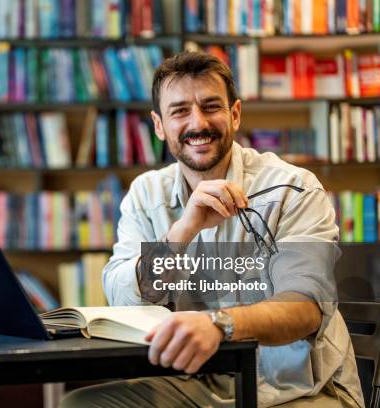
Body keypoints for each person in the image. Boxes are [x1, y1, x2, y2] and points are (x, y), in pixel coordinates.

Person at [60, 51, 364, 407]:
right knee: (82, 405)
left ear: (234, 114)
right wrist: (182, 232)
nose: (197, 123)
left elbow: (305, 309)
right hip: (198, 386)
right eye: (180, 111)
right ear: (159, 125)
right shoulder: (146, 195)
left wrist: (219, 324)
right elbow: (123, 299)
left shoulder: (293, 188)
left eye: (210, 106)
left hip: (299, 389)